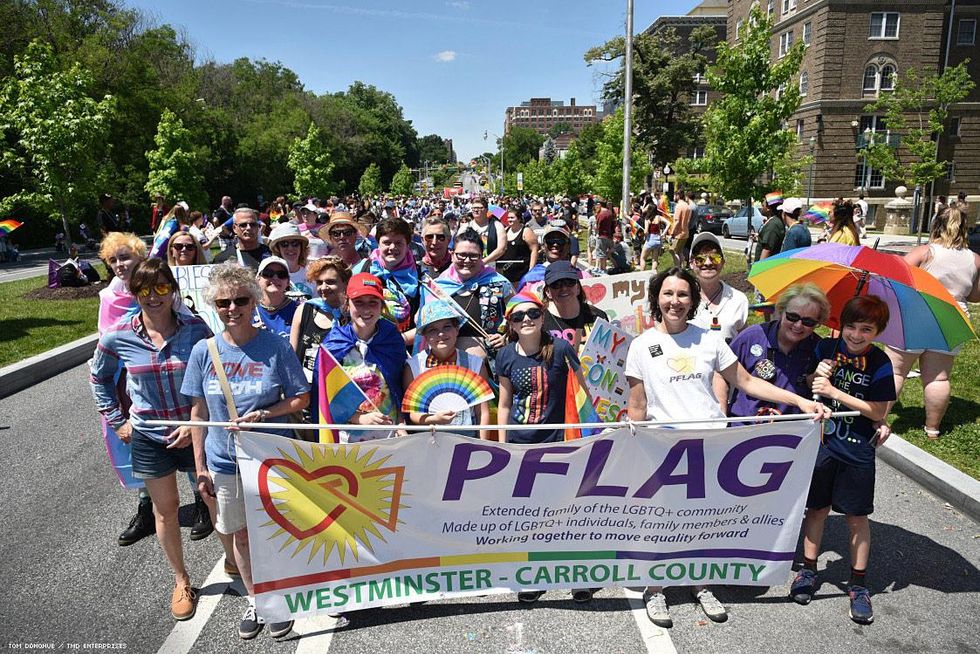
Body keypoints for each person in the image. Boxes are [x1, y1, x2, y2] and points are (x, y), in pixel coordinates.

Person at [625, 267, 829, 628]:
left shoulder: (709, 340)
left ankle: (700, 583)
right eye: (668, 294)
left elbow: (747, 381)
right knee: (662, 520)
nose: (675, 301)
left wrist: (800, 403)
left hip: (712, 445)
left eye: (683, 295)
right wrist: (632, 443)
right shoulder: (641, 346)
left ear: (693, 300)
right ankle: (655, 589)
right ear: (657, 297)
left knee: (704, 521)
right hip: (664, 446)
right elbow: (637, 405)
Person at [182, 263, 309, 640]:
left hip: (271, 456)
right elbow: (198, 413)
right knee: (240, 536)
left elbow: (300, 397)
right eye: (223, 303)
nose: (232, 308)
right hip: (225, 461)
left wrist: (266, 413)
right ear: (214, 306)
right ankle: (259, 600)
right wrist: (200, 467)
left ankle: (287, 589)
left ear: (253, 301)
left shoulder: (274, 346)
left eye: (240, 300)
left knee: (281, 529)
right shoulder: (204, 351)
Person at [90, 259, 212, 621]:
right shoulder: (117, 336)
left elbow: (212, 378)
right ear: (134, 292)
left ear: (173, 290)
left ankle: (238, 566)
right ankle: (181, 580)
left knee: (211, 497)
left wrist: (197, 424)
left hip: (195, 430)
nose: (153, 296)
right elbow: (99, 378)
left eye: (161, 288)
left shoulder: (196, 329)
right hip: (148, 434)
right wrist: (118, 422)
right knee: (166, 509)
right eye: (144, 289)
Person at [793, 295, 894, 625]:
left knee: (856, 517)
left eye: (866, 329)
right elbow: (809, 386)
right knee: (817, 509)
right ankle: (808, 571)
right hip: (823, 444)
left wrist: (836, 392)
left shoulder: (879, 362)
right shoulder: (826, 348)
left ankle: (858, 584)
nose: (855, 335)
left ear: (877, 332)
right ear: (841, 325)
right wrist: (816, 377)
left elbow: (878, 410)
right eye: (850, 326)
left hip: (858, 450)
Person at [885, 207, 980, 439]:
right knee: (939, 377)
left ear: (936, 224)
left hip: (919, 312)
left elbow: (898, 277)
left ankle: (878, 417)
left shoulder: (925, 251)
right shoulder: (975, 259)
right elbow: (976, 296)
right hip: (954, 315)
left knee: (896, 371)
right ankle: (933, 428)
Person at [321, 273, 408, 442]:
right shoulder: (333, 343)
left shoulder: (392, 340)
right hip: (347, 440)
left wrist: (401, 424)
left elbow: (399, 388)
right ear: (347, 304)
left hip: (389, 438)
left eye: (373, 303)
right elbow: (326, 396)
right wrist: (358, 418)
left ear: (382, 306)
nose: (366, 310)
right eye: (358, 302)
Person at [727, 283, 830, 419]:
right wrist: (720, 412)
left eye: (808, 322)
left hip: (794, 429)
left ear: (818, 322)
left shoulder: (819, 348)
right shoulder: (752, 336)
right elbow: (721, 374)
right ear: (781, 312)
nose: (798, 325)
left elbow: (816, 389)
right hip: (745, 424)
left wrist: (816, 378)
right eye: (792, 317)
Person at [402, 300, 492, 439]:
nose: (441, 334)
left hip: (467, 441)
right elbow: (413, 415)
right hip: (428, 441)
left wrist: (481, 446)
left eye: (447, 327)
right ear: (425, 336)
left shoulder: (475, 364)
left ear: (457, 330)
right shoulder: (413, 367)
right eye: (433, 330)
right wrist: (434, 419)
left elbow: (483, 413)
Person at [434, 230, 512, 359]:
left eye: (473, 256)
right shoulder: (439, 287)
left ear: (482, 257)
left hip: (492, 366)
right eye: (461, 255)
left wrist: (506, 337)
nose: (467, 260)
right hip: (447, 366)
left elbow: (517, 315)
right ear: (452, 255)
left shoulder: (500, 283)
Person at [353, 217, 420, 335]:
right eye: (387, 242)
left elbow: (424, 322)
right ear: (378, 243)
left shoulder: (419, 275)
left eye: (399, 243)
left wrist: (399, 341)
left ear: (408, 245)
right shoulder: (362, 270)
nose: (392, 247)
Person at [290, 256, 351, 385]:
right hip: (307, 390)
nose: (323, 288)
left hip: (339, 390)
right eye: (319, 282)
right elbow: (292, 356)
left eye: (330, 282)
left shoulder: (352, 314)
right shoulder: (304, 310)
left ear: (345, 282)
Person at [688, 232, 748, 343]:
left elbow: (745, 342)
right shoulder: (682, 299)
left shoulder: (739, 299)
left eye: (715, 258)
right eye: (700, 259)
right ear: (691, 263)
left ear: (723, 262)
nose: (708, 263)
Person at [541, 261, 607, 351]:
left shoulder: (598, 317)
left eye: (569, 282)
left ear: (578, 288)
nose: (564, 288)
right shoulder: (540, 321)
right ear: (548, 292)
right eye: (556, 284)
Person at [253, 257, 298, 340]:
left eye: (281, 274)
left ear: (288, 282)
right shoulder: (248, 310)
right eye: (268, 273)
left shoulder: (298, 310)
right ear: (257, 279)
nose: (275, 278)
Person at [268, 222, 313, 299]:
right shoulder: (269, 275)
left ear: (301, 247)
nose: (290, 248)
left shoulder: (311, 274)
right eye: (284, 244)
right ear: (278, 248)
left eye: (295, 243)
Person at [460, 197, 506, 266]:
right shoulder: (465, 227)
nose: (476, 210)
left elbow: (501, 249)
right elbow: (458, 247)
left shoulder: (497, 226)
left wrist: (483, 262)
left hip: (492, 267)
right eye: (474, 208)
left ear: (486, 210)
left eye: (479, 208)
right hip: (469, 266)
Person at [498, 207, 539, 285]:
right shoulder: (505, 231)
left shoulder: (526, 231)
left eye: (512, 217)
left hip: (522, 273)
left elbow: (534, 250)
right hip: (507, 274)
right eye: (508, 218)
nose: (509, 220)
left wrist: (531, 270)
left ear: (519, 219)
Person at [668, 191, 691, 268]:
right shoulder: (687, 206)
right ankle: (681, 268)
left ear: (677, 196)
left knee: (673, 251)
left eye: (674, 195)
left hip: (679, 233)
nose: (674, 197)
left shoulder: (678, 206)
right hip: (685, 232)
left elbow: (677, 221)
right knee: (680, 251)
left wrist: (671, 233)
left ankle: (677, 268)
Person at [593, 200, 615, 271]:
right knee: (604, 253)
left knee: (601, 254)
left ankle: (603, 269)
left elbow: (598, 227)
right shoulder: (609, 213)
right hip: (608, 235)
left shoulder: (601, 214)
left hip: (601, 236)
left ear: (600, 205)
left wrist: (595, 229)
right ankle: (601, 268)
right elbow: (613, 224)